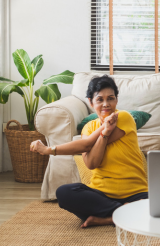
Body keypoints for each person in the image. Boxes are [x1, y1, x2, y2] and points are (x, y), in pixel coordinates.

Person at [30, 75, 148, 228]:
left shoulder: (124, 117)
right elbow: (92, 163)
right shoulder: (88, 128)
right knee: (64, 193)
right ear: (91, 102)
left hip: (136, 193)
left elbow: (86, 145)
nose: (106, 104)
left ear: (116, 100)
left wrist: (48, 150)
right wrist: (105, 133)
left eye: (110, 98)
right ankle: (124, 213)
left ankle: (108, 218)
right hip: (101, 196)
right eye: (100, 99)